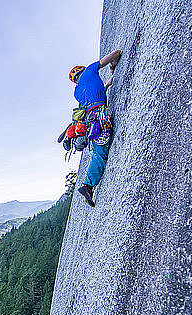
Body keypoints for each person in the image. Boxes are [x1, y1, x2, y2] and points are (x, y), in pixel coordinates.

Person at [68, 49, 121, 207]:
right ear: (82, 70)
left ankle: (88, 186)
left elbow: (93, 98)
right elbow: (116, 53)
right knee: (100, 153)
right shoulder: (90, 69)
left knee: (98, 153)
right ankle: (87, 185)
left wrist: (107, 84)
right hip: (100, 116)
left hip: (90, 120)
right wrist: (112, 66)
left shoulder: (77, 91)